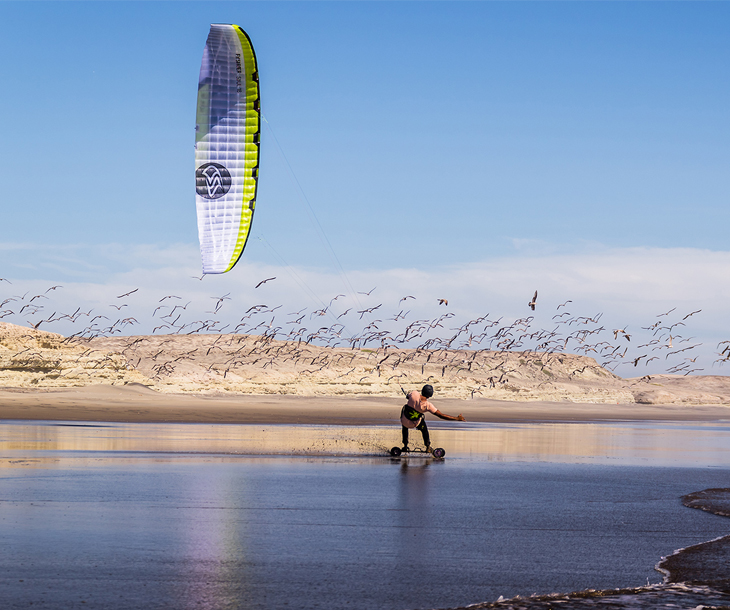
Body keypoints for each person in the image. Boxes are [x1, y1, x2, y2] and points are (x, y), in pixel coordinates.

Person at [400, 384, 465, 452]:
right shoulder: (428, 405)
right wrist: (457, 418)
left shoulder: (414, 394)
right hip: (415, 423)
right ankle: (428, 446)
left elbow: (408, 396)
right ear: (430, 395)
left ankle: (405, 446)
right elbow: (441, 415)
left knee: (405, 426)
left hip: (404, 421)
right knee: (424, 429)